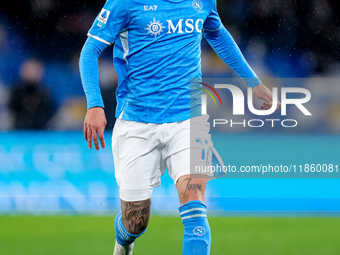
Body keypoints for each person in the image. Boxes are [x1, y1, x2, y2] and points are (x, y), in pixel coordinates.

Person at [79, 0, 280, 254]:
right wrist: (94, 104)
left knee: (195, 207)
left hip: (188, 121)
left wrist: (252, 81)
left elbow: (217, 33)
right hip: (137, 123)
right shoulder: (125, 3)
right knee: (136, 221)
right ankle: (123, 242)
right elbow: (90, 51)